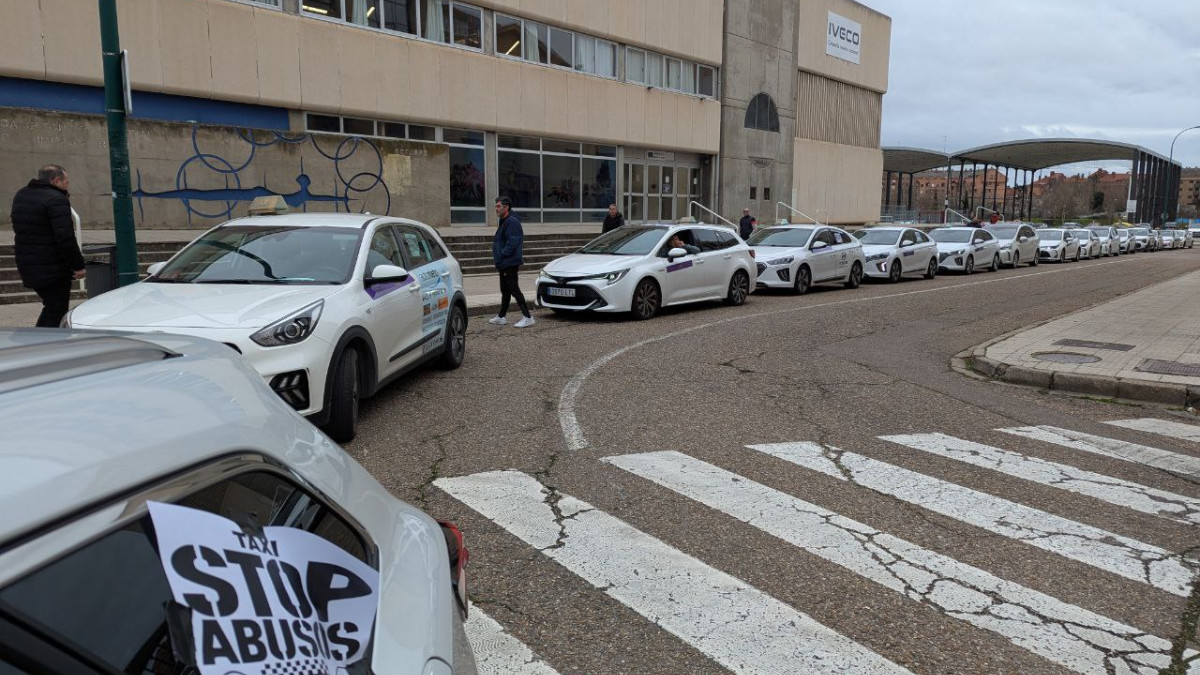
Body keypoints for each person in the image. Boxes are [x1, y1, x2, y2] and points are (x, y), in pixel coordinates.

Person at [10, 165, 85, 327]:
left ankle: (43, 340)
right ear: (56, 180)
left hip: (28, 263)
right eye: (66, 182)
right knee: (56, 308)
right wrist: (78, 266)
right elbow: (65, 237)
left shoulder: (22, 194)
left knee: (52, 306)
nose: (67, 185)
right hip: (52, 267)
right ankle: (44, 342)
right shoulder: (56, 200)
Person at [490, 196, 534, 328]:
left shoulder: (512, 221)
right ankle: (501, 317)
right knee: (505, 290)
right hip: (504, 263)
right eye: (496, 206)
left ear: (506, 207)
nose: (496, 209)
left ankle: (528, 317)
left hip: (509, 263)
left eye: (498, 206)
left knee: (514, 289)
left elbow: (513, 242)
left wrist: (503, 254)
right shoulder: (504, 220)